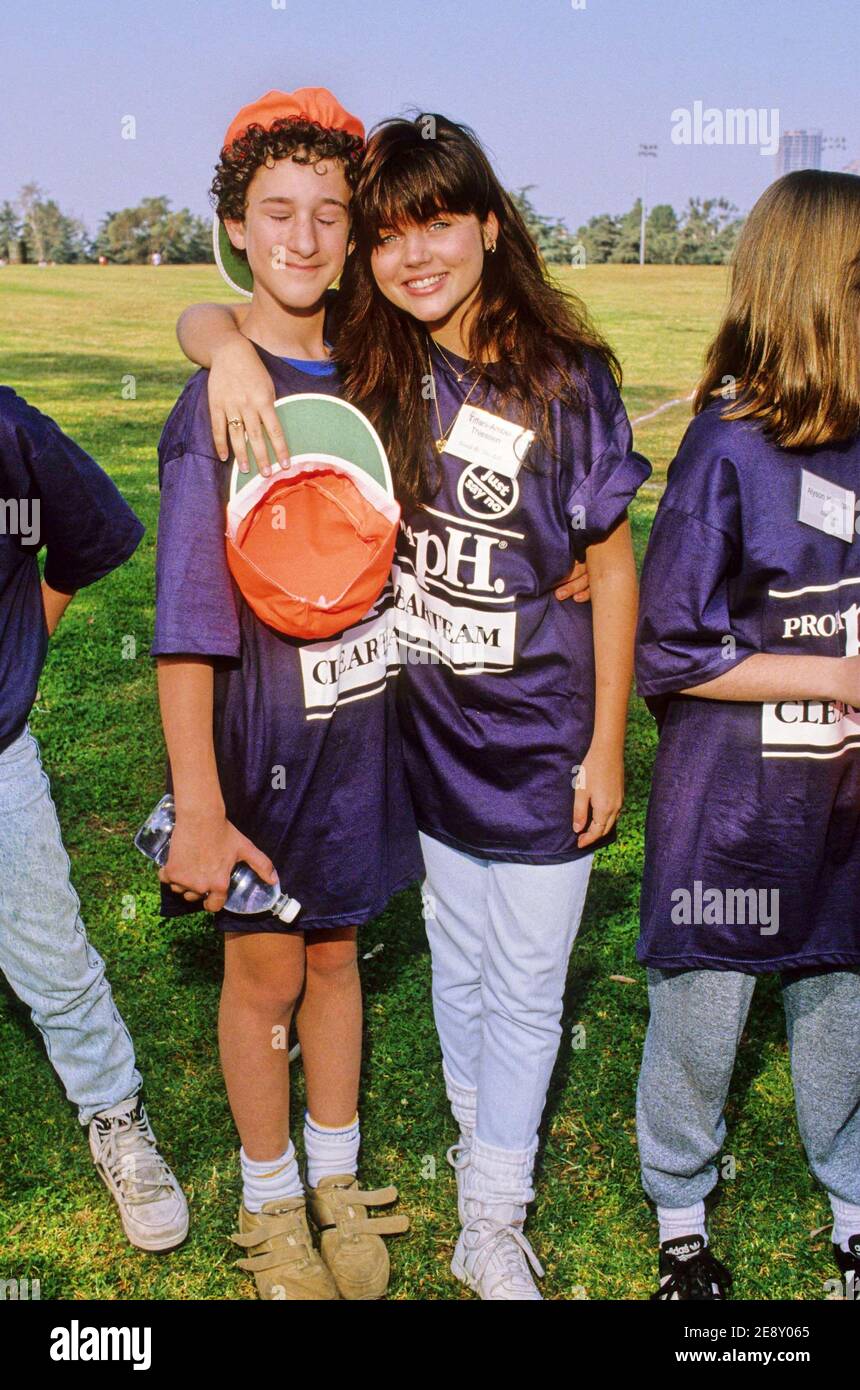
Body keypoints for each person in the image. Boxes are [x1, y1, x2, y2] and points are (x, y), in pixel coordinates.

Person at [152, 88, 420, 1301]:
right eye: (277, 213)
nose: (304, 238)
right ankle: (268, 1200)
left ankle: (332, 1174)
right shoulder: (217, 401)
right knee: (262, 970)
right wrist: (198, 808)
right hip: (257, 748)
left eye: (328, 213)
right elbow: (184, 633)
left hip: (359, 739)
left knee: (336, 956)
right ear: (237, 229)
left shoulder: (379, 370)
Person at [634, 169, 860, 1300]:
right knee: (702, 1010)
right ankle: (680, 1215)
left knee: (838, 994)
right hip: (729, 813)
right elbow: (669, 648)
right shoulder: (726, 452)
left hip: (841, 805)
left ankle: (852, 1205)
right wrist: (838, 673)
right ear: (819, 292)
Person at [0, 386, 188, 1252]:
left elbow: (90, 532)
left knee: (52, 957)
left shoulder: (5, 427)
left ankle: (114, 1112)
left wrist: (24, 643)